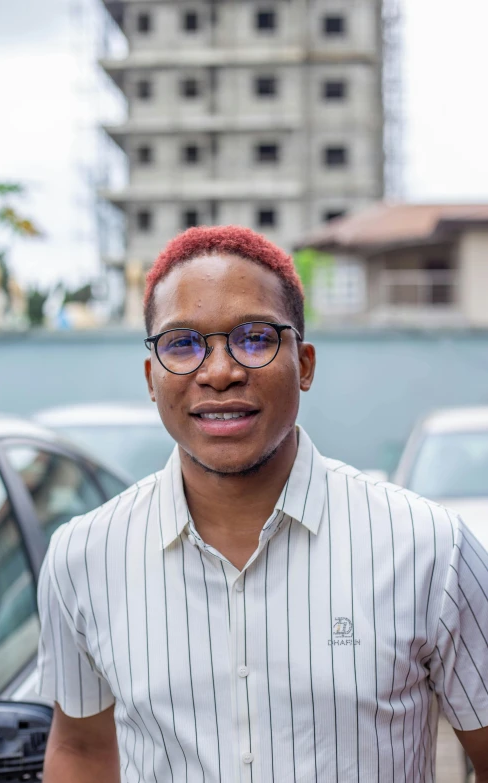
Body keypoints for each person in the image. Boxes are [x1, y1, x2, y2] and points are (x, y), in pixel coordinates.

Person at [37, 226, 488, 782]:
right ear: (152, 378)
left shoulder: (430, 550)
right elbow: (81, 750)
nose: (220, 372)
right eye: (182, 343)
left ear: (305, 364)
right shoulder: (82, 557)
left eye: (254, 338)